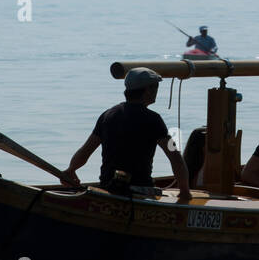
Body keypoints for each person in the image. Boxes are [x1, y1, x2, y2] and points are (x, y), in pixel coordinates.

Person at [61, 67, 190, 199]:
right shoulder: (154, 119)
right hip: (139, 189)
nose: (157, 91)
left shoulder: (107, 115)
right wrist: (185, 191)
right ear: (148, 90)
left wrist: (71, 170)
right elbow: (175, 157)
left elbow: (85, 151)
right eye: (155, 87)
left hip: (108, 187)